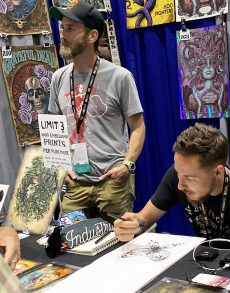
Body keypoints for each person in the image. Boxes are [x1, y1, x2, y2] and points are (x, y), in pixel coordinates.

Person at [48, 0, 145, 217]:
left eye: (71, 28)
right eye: (62, 27)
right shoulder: (58, 78)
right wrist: (60, 169)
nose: (63, 34)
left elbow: (138, 127)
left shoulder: (120, 77)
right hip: (75, 184)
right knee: (70, 246)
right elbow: (54, 130)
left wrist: (127, 166)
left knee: (117, 246)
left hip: (112, 182)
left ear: (92, 36)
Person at [114, 123, 230, 243]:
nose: (180, 185)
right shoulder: (178, 176)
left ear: (218, 172)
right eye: (178, 173)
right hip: (203, 264)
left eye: (190, 178)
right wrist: (133, 225)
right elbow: (143, 219)